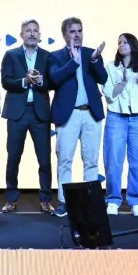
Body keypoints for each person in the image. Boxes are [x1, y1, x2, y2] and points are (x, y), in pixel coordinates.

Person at [48, 17, 107, 218]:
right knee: (65, 159)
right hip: (68, 114)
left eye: (79, 31)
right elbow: (54, 79)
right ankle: (64, 202)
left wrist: (95, 61)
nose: (77, 35)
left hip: (91, 113)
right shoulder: (55, 56)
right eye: (72, 31)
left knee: (91, 160)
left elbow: (103, 78)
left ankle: (91, 202)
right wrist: (73, 62)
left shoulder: (91, 54)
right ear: (64, 34)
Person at [0, 19, 54, 214]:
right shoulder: (11, 54)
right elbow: (5, 81)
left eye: (35, 31)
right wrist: (25, 80)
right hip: (17, 113)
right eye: (28, 31)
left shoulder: (47, 56)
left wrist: (39, 81)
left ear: (40, 35)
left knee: (44, 159)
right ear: (21, 35)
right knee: (13, 157)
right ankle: (11, 198)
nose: (32, 34)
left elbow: (53, 82)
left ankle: (45, 199)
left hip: (40, 114)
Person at [102, 33, 138, 217]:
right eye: (119, 42)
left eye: (125, 42)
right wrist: (124, 81)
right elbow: (109, 94)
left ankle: (136, 201)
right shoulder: (111, 67)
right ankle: (113, 200)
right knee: (113, 161)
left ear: (133, 45)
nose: (121, 45)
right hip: (116, 117)